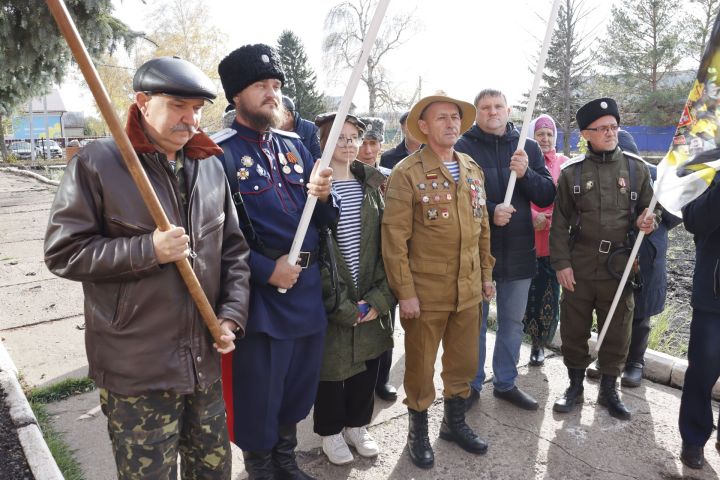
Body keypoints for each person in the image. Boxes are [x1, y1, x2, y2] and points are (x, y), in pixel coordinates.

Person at [43, 56, 250, 479]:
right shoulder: (98, 163)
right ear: (142, 101)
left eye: (196, 108)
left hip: (204, 361)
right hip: (137, 370)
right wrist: (147, 250)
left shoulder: (209, 164)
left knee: (213, 472)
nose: (190, 119)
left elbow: (234, 251)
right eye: (177, 105)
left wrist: (231, 317)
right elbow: (64, 252)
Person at [215, 44, 337, 480]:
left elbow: (325, 218)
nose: (272, 94)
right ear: (236, 96)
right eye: (261, 86)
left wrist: (326, 196)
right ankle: (262, 469)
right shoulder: (217, 155)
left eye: (276, 85)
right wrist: (268, 270)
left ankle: (286, 462)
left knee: (295, 391)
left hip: (305, 292)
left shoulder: (294, 147)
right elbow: (210, 243)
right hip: (260, 299)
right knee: (258, 397)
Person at [382, 93, 495, 469]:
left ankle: (454, 423)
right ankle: (418, 431)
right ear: (424, 127)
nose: (450, 124)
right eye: (441, 118)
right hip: (426, 293)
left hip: (467, 290)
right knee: (419, 365)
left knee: (463, 363)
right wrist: (406, 293)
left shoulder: (472, 169)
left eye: (455, 118)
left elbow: (482, 230)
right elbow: (394, 240)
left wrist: (486, 276)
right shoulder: (407, 172)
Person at [550, 97, 657, 421]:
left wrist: (646, 222)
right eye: (603, 128)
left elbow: (651, 210)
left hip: (619, 266)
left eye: (614, 127)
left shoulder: (635, 168)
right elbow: (559, 223)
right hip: (580, 264)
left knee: (617, 330)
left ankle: (609, 390)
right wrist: (562, 264)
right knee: (573, 328)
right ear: (586, 133)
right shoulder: (572, 174)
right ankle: (574, 387)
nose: (610, 133)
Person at [455, 89, 555, 411]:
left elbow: (547, 195)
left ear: (509, 110)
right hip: (476, 254)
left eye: (498, 106)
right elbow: (456, 198)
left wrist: (525, 174)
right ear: (477, 112)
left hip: (518, 251)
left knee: (512, 322)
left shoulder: (527, 148)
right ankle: (471, 385)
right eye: (485, 107)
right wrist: (491, 210)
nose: (493, 112)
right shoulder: (463, 148)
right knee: (475, 322)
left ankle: (506, 382)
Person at [311, 112, 395, 465]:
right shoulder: (313, 189)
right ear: (323, 142)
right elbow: (317, 253)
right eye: (339, 137)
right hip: (334, 298)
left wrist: (378, 298)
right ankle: (330, 432)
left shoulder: (373, 187)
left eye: (353, 137)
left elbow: (385, 247)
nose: (347, 143)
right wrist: (340, 304)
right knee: (332, 368)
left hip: (370, 292)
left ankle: (356, 426)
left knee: (368, 362)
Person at [586, 130, 681, 386]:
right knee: (610, 306)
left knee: (640, 312)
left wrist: (653, 225)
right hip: (613, 253)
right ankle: (606, 358)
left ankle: (635, 362)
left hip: (646, 253)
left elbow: (675, 213)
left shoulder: (655, 177)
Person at [678, 176, 720, 469]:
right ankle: (693, 437)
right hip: (713, 295)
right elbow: (694, 220)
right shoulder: (706, 169)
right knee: (703, 371)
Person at [522, 114, 569, 366]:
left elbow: (569, 199)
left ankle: (540, 344)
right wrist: (532, 216)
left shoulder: (564, 163)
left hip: (553, 240)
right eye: (540, 134)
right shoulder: (522, 162)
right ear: (532, 136)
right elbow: (515, 195)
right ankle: (527, 340)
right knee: (527, 294)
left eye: (550, 134)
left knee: (548, 293)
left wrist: (548, 217)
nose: (545, 138)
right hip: (526, 237)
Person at [280, 95, 322, 160]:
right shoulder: (271, 133)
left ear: (288, 115)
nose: (272, 119)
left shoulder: (312, 130)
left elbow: (319, 159)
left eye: (276, 115)